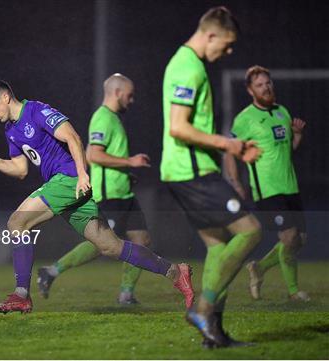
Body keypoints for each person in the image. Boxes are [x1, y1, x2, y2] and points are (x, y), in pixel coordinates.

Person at [0, 79, 193, 314]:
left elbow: (72, 137)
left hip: (68, 179)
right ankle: (175, 272)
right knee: (110, 246)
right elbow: (20, 170)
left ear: (5, 97)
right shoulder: (11, 130)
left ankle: (21, 295)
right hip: (64, 185)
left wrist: (81, 175)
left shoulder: (37, 110)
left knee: (17, 222)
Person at [37, 74, 193, 306]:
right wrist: (130, 162)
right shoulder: (103, 118)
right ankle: (51, 271)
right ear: (118, 92)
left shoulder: (113, 118)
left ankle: (126, 294)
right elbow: (93, 154)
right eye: (129, 95)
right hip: (107, 194)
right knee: (102, 244)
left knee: (141, 239)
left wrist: (125, 172)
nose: (131, 100)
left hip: (124, 193)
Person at [161, 7, 262, 348]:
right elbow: (178, 126)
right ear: (211, 35)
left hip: (188, 172)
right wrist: (227, 144)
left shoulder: (186, 63)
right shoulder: (189, 68)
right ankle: (202, 309)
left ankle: (213, 334)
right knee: (251, 232)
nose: (228, 52)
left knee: (219, 247)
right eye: (227, 44)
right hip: (191, 174)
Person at [223, 66, 309, 302]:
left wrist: (298, 135)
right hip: (267, 189)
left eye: (268, 83)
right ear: (251, 90)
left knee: (299, 240)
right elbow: (229, 152)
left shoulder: (282, 112)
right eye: (260, 85)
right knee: (289, 237)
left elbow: (287, 151)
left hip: (290, 186)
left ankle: (258, 268)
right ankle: (293, 292)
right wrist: (235, 181)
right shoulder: (244, 119)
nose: (266, 87)